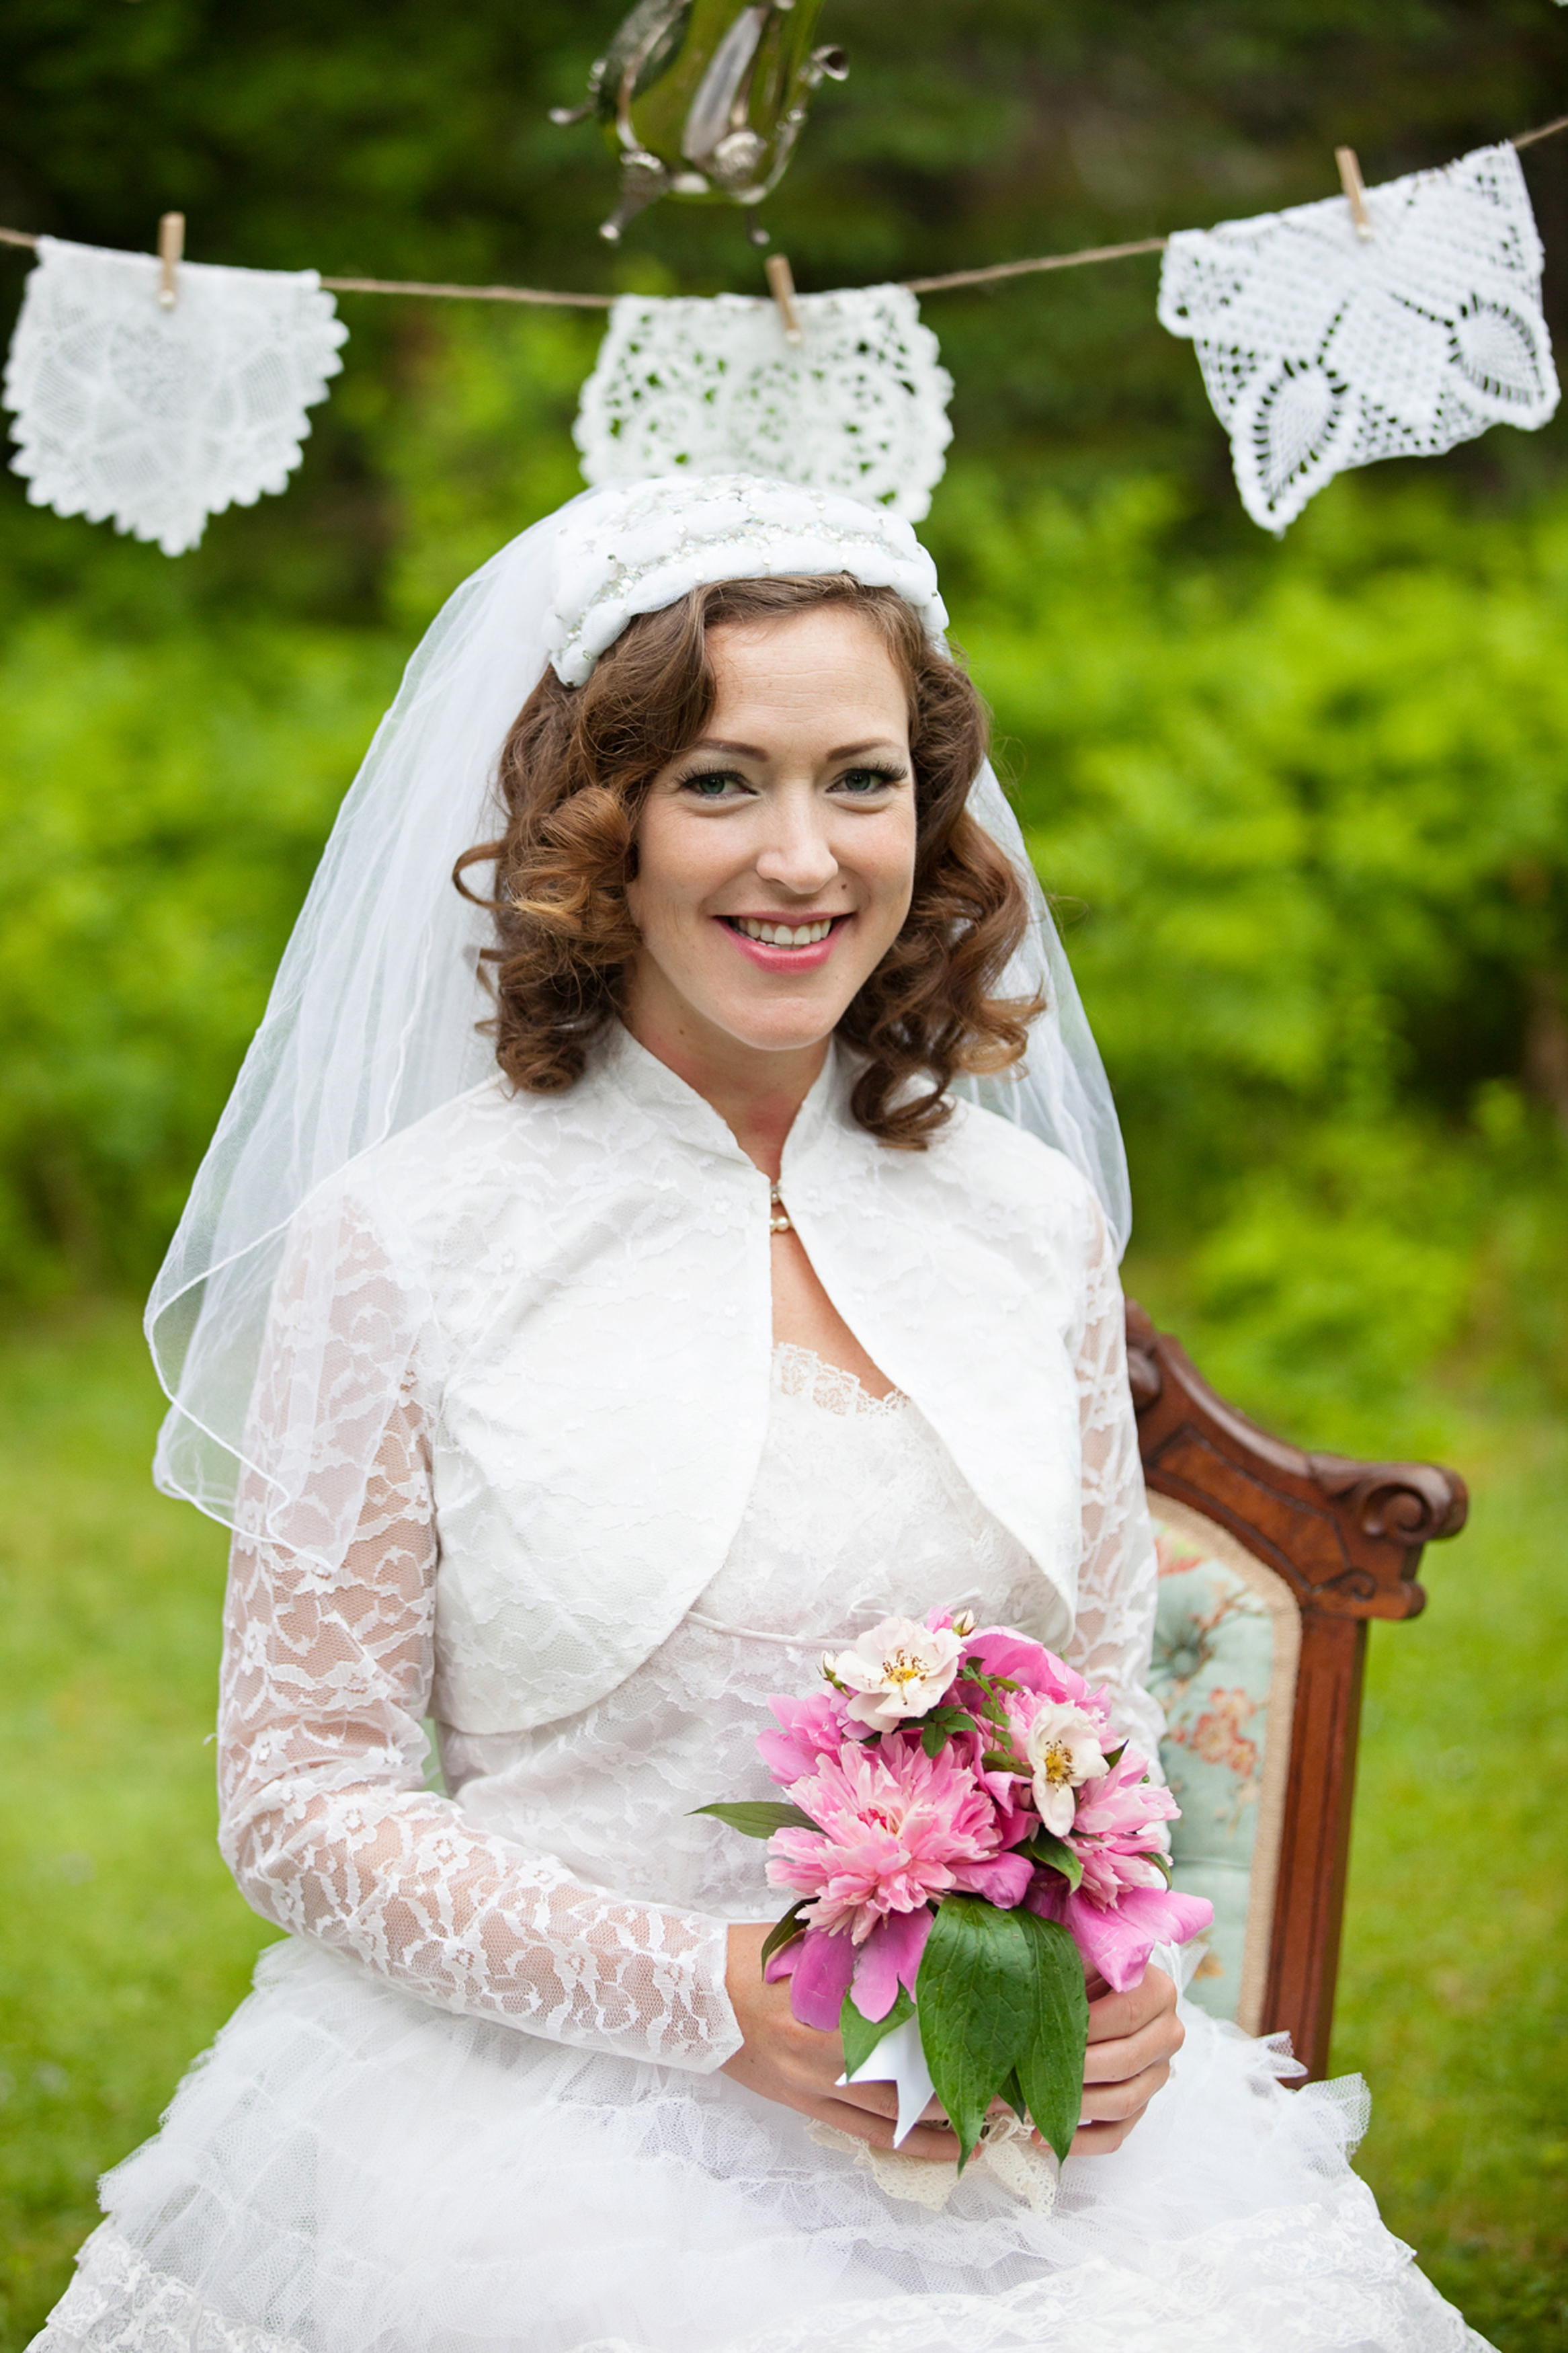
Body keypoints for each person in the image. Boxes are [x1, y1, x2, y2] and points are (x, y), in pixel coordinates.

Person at [32, 476, 1489, 2353]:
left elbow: (1101, 1706)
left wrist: (1111, 1959)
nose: (803, 857)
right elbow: (303, 1796)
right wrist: (710, 1993)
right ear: (603, 820)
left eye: (860, 780)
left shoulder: (1030, 1222)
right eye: (721, 780)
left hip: (1002, 2110)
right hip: (537, 2136)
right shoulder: (404, 1238)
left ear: (929, 813)